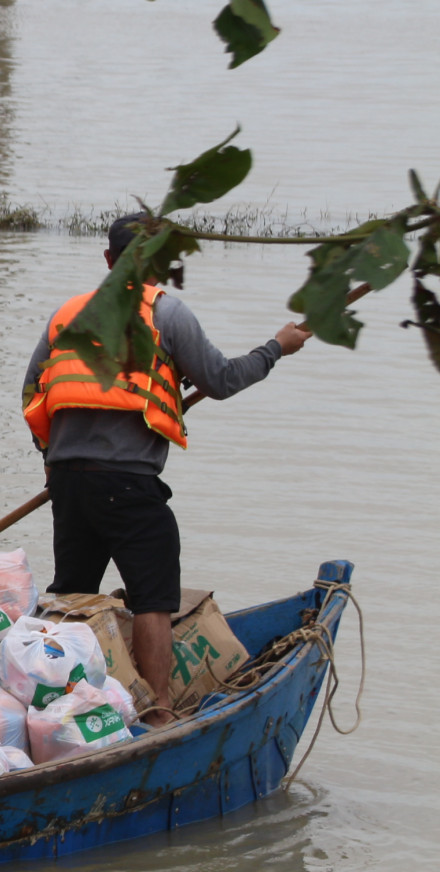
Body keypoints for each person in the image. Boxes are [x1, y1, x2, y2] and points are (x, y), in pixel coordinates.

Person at [22, 212, 311, 722]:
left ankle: (49, 698)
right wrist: (277, 348)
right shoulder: (167, 314)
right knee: (153, 598)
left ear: (109, 262)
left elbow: (31, 393)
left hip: (68, 482)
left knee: (71, 595)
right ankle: (157, 709)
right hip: (128, 483)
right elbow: (221, 379)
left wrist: (51, 461)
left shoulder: (64, 315)